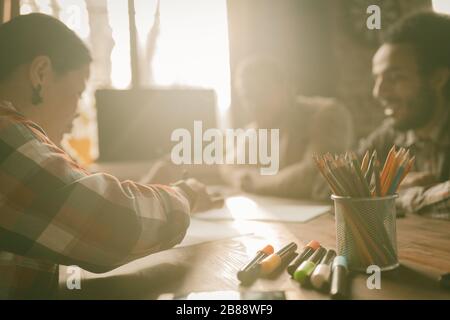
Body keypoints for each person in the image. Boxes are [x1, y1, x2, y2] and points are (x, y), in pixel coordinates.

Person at [0, 13, 218, 299]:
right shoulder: (5, 132)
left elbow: (70, 189)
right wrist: (185, 195)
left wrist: (148, 186)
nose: (77, 110)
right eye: (78, 92)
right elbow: (114, 221)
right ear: (40, 74)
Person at [221, 57, 354, 200]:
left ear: (286, 87)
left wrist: (255, 182)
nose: (254, 105)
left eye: (261, 93)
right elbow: (228, 165)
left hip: (323, 216)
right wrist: (241, 177)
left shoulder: (327, 114)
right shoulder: (256, 129)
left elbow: (314, 174)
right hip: (274, 215)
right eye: (247, 97)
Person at [359, 11, 450, 219]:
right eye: (378, 79)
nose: (379, 92)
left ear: (437, 79)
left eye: (395, 78)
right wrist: (398, 182)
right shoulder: (390, 133)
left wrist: (392, 192)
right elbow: (332, 183)